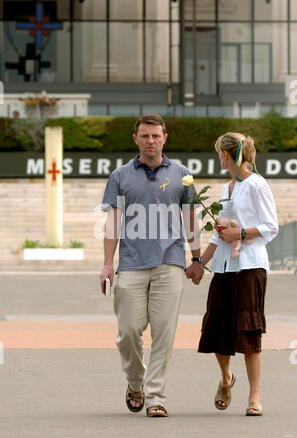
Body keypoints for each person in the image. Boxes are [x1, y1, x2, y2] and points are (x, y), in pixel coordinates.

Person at [100, 114, 204, 417]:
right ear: (135, 139)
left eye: (156, 136)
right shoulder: (120, 176)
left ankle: (157, 396)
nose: (151, 141)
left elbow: (191, 220)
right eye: (145, 136)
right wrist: (108, 264)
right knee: (129, 331)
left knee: (164, 332)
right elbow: (112, 222)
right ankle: (136, 382)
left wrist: (196, 259)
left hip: (169, 262)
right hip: (131, 264)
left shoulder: (183, 174)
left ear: (165, 138)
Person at [198, 132, 278, 417]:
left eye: (219, 152)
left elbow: (271, 226)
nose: (218, 157)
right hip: (223, 266)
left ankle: (255, 395)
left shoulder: (257, 185)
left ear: (228, 154)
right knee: (216, 326)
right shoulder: (226, 189)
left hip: (251, 266)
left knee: (249, 328)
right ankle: (226, 377)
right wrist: (199, 262)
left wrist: (241, 232)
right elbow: (220, 235)